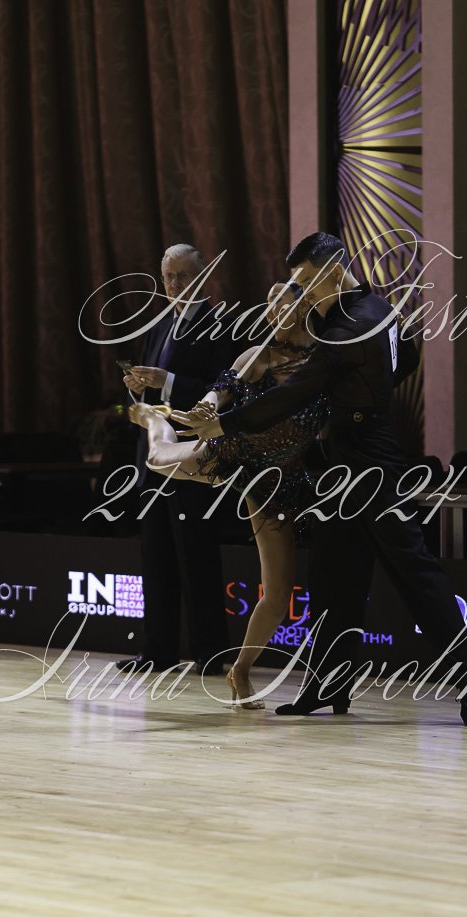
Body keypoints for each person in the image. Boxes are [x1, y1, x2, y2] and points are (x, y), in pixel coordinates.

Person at [173, 233, 467, 726]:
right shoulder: (374, 310)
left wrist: (225, 424)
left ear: (336, 269)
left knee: (415, 574)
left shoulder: (352, 324)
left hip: (372, 462)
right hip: (340, 460)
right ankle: (328, 686)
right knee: (333, 577)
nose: (304, 292)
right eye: (298, 282)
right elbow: (406, 358)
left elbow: (298, 391)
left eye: (307, 281)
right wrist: (364, 390)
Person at [129, 281, 329, 708]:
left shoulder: (323, 360)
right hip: (235, 455)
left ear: (304, 306)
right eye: (269, 305)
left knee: (278, 595)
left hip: (280, 480)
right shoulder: (257, 356)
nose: (273, 311)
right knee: (158, 458)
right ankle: (154, 420)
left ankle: (240, 670)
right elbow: (220, 389)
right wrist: (206, 405)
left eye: (282, 303)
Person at [115, 243, 235, 676]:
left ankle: (211, 652)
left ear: (202, 277)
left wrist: (167, 381)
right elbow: (152, 388)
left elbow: (223, 390)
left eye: (183, 275)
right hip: (153, 457)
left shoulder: (220, 325)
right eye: (168, 276)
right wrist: (139, 385)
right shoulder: (161, 323)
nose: (174, 284)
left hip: (192, 459)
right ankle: (157, 650)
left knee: (196, 556)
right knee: (156, 558)